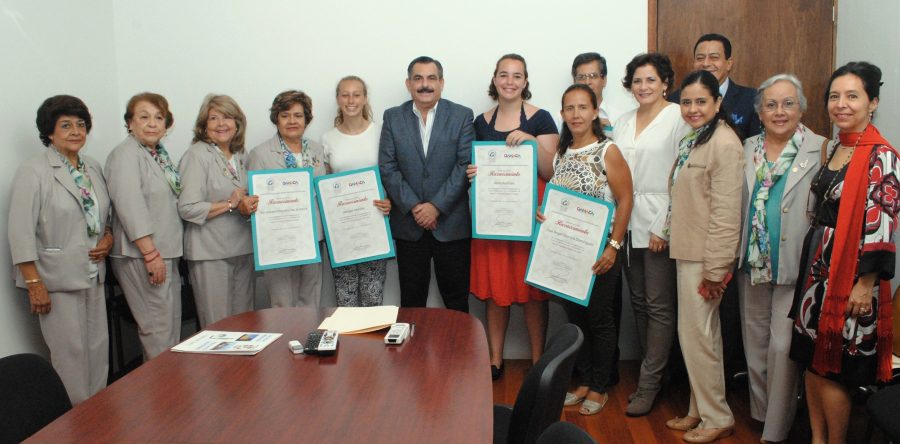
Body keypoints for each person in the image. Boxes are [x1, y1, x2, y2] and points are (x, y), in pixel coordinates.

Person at [790, 61, 898, 444]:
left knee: (835, 368)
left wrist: (865, 283)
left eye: (853, 96)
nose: (842, 104)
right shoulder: (835, 146)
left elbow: (882, 223)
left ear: (873, 103)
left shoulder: (881, 155)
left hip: (851, 276)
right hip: (817, 269)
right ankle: (817, 439)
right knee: (810, 359)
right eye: (835, 96)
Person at [737, 74, 825, 444]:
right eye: (771, 104)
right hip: (752, 263)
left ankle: (775, 430)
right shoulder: (745, 147)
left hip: (794, 266)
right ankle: (761, 413)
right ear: (759, 111)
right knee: (755, 345)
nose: (779, 111)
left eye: (788, 103)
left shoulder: (821, 148)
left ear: (801, 108)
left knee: (782, 348)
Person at [8, 95, 112, 404]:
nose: (75, 131)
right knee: (70, 355)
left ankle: (99, 413)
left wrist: (107, 238)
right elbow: (20, 231)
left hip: (93, 272)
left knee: (97, 348)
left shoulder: (91, 166)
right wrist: (34, 283)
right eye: (65, 125)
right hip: (55, 279)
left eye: (81, 124)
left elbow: (101, 216)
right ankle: (76, 424)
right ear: (49, 131)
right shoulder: (34, 171)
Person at [465, 54, 558, 379]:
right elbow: (475, 169)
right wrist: (474, 172)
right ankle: (495, 360)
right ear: (495, 79)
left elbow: (551, 170)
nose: (509, 81)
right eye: (503, 75)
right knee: (496, 288)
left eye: (517, 76)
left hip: (531, 218)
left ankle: (537, 361)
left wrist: (532, 142)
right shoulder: (480, 121)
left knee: (532, 292)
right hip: (493, 219)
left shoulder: (541, 119)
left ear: (525, 82)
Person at [665, 70, 744, 443]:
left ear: (717, 103)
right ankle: (699, 409)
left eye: (701, 101)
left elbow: (728, 213)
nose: (693, 109)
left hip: (705, 258)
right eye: (686, 102)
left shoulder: (725, 143)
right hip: (688, 251)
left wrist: (716, 269)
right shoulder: (695, 138)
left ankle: (717, 416)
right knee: (694, 336)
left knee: (700, 336)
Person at [613, 53, 690, 416]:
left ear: (665, 83)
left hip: (661, 221)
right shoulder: (623, 120)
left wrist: (665, 224)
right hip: (627, 219)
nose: (643, 86)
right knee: (639, 302)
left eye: (651, 80)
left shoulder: (678, 117)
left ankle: (649, 385)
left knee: (659, 306)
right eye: (637, 81)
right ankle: (658, 372)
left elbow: (682, 173)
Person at [553, 84, 633, 416]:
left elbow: (626, 198)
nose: (576, 114)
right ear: (562, 114)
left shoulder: (607, 151)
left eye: (582, 107)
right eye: (569, 108)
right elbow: (559, 200)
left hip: (601, 251)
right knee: (576, 319)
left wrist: (613, 246)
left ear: (595, 111)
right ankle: (584, 380)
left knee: (600, 320)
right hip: (568, 250)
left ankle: (600, 387)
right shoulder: (562, 152)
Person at [378, 56, 475, 312]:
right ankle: (412, 354)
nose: (425, 85)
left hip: (451, 223)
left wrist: (436, 206)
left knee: (456, 301)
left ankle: (458, 353)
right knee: (411, 302)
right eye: (418, 78)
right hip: (409, 225)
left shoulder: (462, 115)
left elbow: (464, 164)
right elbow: (388, 167)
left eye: (431, 78)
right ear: (408, 83)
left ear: (441, 83)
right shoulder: (392, 117)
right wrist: (415, 207)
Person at [106, 93, 184, 360]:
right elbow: (130, 207)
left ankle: (170, 392)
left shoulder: (158, 155)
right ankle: (160, 396)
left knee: (169, 329)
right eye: (144, 117)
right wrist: (150, 253)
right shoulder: (125, 155)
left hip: (164, 251)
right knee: (157, 330)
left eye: (159, 117)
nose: (152, 123)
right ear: (130, 122)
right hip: (142, 255)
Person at [178, 94, 255, 328]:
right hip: (210, 253)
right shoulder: (196, 155)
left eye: (227, 117)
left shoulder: (241, 155)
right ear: (204, 125)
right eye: (214, 118)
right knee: (217, 327)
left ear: (237, 123)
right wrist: (230, 204)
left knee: (244, 325)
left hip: (242, 249)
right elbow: (188, 208)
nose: (221, 124)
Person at [247, 90, 326, 308]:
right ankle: (285, 342)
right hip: (277, 241)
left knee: (311, 299)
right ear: (276, 119)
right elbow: (252, 199)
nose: (292, 121)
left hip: (313, 238)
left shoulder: (317, 150)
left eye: (298, 115)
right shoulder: (260, 154)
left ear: (307, 119)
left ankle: (309, 340)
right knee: (282, 303)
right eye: (285, 115)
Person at [321, 76, 392, 307]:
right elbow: (327, 184)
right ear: (338, 99)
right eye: (345, 94)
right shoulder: (327, 138)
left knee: (373, 296)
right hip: (341, 230)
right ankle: (350, 345)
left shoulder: (381, 133)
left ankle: (372, 345)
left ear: (365, 98)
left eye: (356, 94)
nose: (351, 100)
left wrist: (390, 200)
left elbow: (392, 174)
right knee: (345, 297)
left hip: (375, 224)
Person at [668, 33, 760, 140]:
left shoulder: (752, 98)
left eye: (714, 57)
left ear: (729, 63)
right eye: (700, 58)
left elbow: (756, 145)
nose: (706, 63)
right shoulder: (675, 100)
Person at [555, 52, 622, 136]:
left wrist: (610, 133)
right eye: (581, 77)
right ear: (574, 81)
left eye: (593, 76)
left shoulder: (619, 118)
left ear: (604, 80)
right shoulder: (562, 117)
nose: (587, 82)